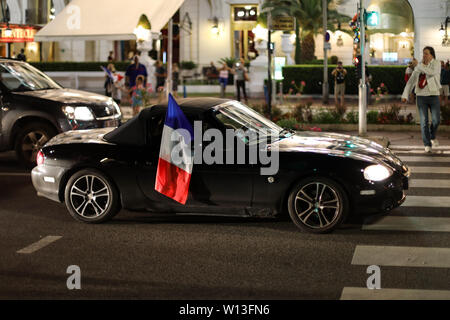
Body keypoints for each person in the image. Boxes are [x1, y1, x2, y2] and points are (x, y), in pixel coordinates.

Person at [402, 46, 441, 153]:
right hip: (421, 96)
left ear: (432, 55)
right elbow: (410, 81)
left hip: (433, 95)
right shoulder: (419, 67)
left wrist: (418, 66)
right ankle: (427, 144)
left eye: (426, 53)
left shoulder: (436, 64)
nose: (424, 55)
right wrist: (405, 95)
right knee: (424, 122)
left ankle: (432, 136)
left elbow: (431, 72)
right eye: (423, 53)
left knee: (436, 120)